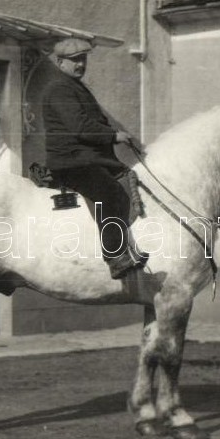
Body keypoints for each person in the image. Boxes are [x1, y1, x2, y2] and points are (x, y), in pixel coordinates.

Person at [42, 37, 146, 280]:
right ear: (60, 62)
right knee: (109, 193)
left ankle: (131, 246)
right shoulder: (59, 88)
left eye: (83, 59)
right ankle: (116, 257)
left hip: (88, 159)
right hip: (71, 162)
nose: (80, 64)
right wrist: (114, 135)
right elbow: (80, 126)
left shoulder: (74, 86)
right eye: (74, 60)